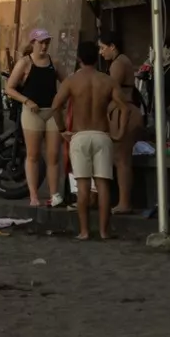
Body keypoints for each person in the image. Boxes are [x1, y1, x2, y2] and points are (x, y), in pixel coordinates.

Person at [50, 40, 118, 241]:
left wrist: (62, 129)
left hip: (79, 135)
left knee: (82, 186)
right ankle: (105, 232)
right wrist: (116, 128)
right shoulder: (107, 80)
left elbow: (55, 106)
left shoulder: (71, 81)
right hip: (102, 135)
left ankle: (85, 231)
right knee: (103, 185)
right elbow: (121, 105)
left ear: (79, 59)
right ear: (96, 58)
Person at [7, 29, 65, 208]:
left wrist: (62, 101)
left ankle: (54, 194)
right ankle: (33, 195)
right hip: (33, 113)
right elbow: (9, 88)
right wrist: (26, 100)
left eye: (47, 42)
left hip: (52, 112)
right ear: (33, 43)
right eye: (41, 42)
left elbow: (66, 84)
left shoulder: (54, 63)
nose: (44, 46)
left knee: (54, 155)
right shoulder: (25, 63)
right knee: (33, 154)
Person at [97, 32, 144, 214]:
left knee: (122, 159)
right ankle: (123, 201)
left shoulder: (119, 63)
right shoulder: (121, 61)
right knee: (120, 159)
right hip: (123, 112)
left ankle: (125, 202)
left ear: (112, 46)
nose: (101, 52)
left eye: (102, 48)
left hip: (125, 113)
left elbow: (110, 90)